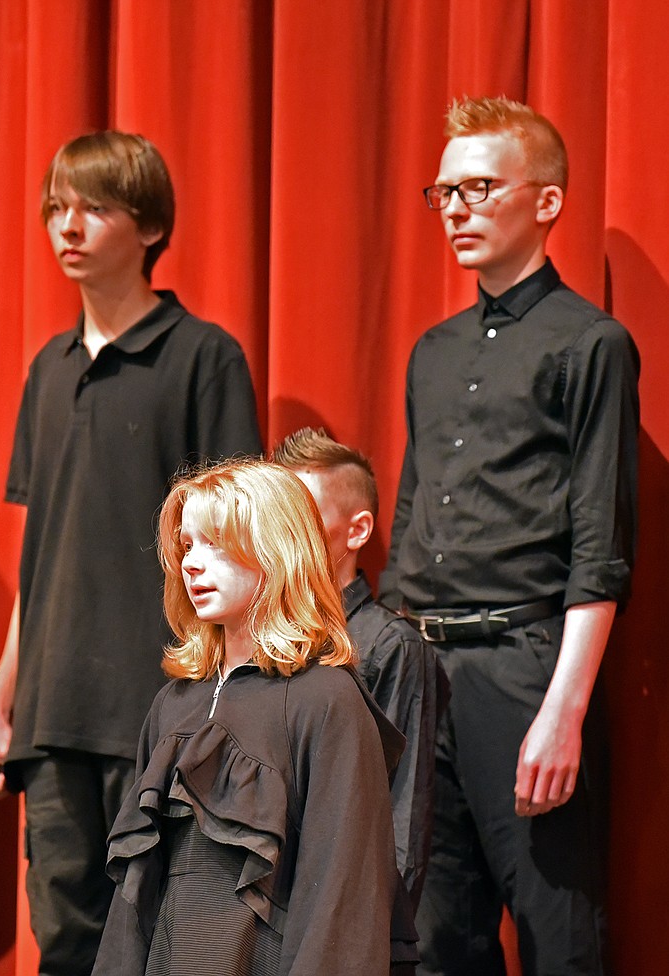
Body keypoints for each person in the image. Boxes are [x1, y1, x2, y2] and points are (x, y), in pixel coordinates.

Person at [0, 131, 262, 976]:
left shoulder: (204, 356)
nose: (69, 225)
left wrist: (223, 698)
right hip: (54, 711)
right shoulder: (49, 371)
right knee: (65, 943)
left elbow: (242, 545)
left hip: (161, 702)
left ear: (150, 227)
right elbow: (43, 554)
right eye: (57, 207)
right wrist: (0, 704)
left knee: (166, 934)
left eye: (95, 207)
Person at [380, 96, 639, 976]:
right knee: (438, 938)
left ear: (546, 202)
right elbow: (413, 513)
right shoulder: (433, 350)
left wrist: (561, 712)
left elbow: (600, 542)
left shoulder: (592, 343)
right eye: (443, 192)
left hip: (526, 666)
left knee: (557, 929)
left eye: (479, 188)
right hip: (425, 669)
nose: (455, 208)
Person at [92, 460, 405, 975]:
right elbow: (134, 901)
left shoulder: (327, 700)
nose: (192, 563)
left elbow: (343, 900)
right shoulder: (173, 702)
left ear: (277, 549)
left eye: (214, 542)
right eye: (187, 545)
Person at [273, 426, 447, 911]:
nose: (286, 536)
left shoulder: (391, 647)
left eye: (304, 517)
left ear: (358, 529)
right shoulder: (259, 641)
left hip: (343, 923)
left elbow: (402, 820)